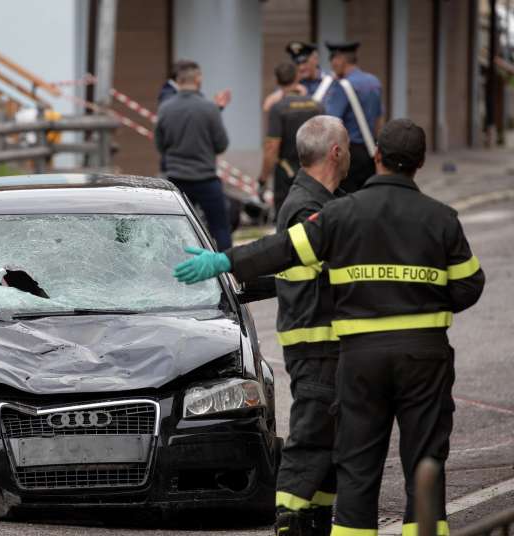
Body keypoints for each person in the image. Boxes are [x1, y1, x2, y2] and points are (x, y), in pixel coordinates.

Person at [173, 118, 485, 536]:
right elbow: (469, 285)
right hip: (423, 356)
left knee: (356, 462)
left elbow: (282, 249)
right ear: (422, 162)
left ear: (377, 156)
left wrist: (224, 261)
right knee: (425, 459)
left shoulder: (342, 213)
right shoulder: (441, 217)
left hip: (359, 359)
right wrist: (421, 300)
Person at [272, 116, 348, 536]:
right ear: (336, 152)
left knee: (330, 446)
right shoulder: (308, 208)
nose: (351, 151)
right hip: (317, 346)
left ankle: (316, 519)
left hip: (325, 345)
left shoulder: (319, 201)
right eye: (348, 145)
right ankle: (291, 522)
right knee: (312, 439)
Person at [155, 61, 232, 250]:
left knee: (173, 230)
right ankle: (227, 272)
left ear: (178, 81)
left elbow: (160, 145)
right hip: (206, 178)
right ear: (198, 80)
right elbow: (222, 144)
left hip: (176, 179)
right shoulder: (210, 108)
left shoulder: (166, 108)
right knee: (220, 228)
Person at [259, 62, 322, 214]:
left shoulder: (278, 108)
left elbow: (272, 147)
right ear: (297, 78)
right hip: (314, 172)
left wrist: (263, 178)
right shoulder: (316, 105)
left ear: (277, 81)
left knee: (286, 220)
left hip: (286, 175)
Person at [324, 41, 383, 192]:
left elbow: (331, 123)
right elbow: (379, 119)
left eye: (333, 59)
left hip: (349, 152)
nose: (332, 64)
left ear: (341, 59)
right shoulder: (374, 82)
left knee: (347, 200)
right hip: (370, 150)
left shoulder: (342, 86)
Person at [158, 59, 232, 176]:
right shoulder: (169, 98)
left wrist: (215, 109)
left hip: (174, 171)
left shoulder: (167, 104)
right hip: (197, 173)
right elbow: (221, 144)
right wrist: (213, 109)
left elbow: (161, 143)